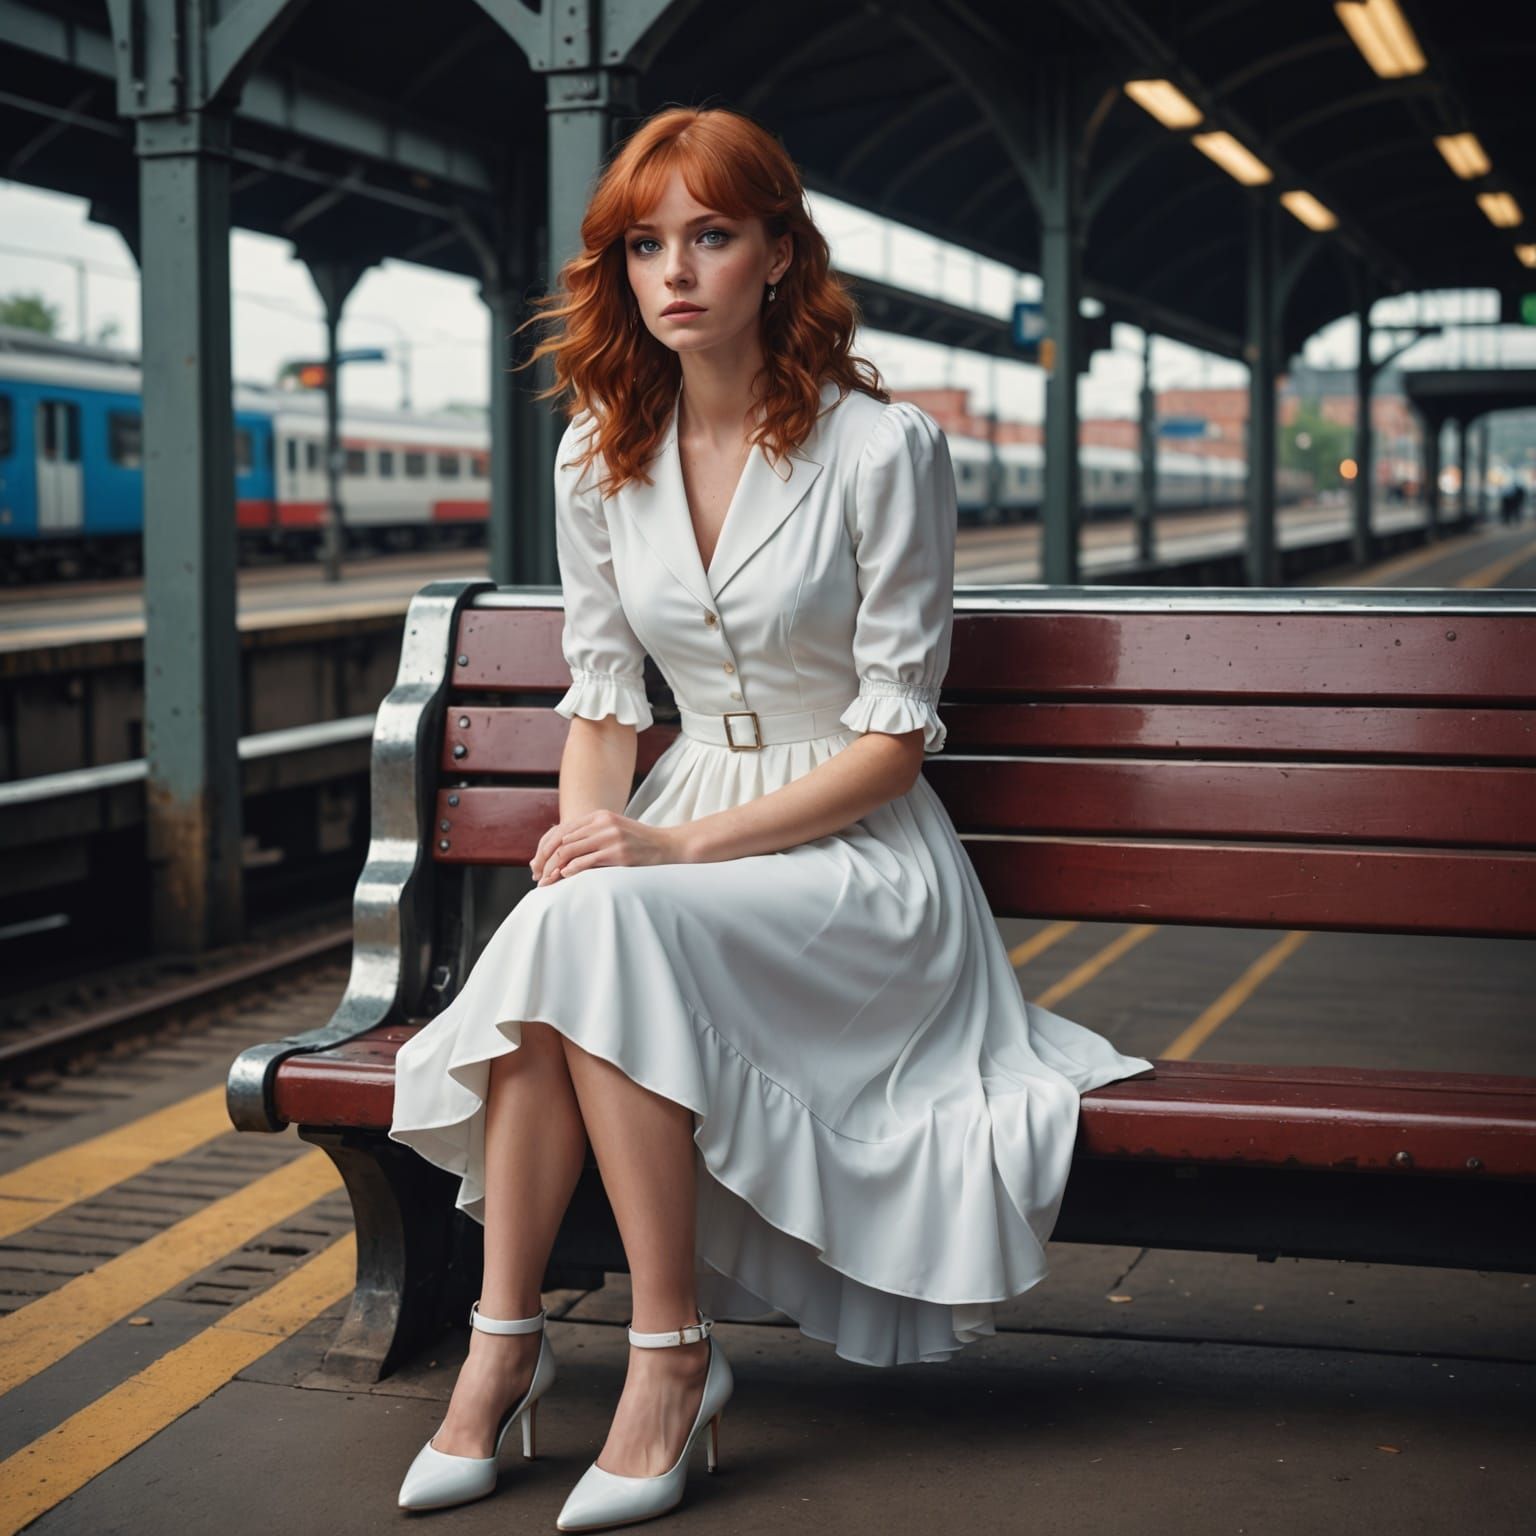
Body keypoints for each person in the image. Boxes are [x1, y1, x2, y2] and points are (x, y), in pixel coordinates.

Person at [387, 104, 1155, 1530]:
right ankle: (519, 1345)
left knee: (600, 930)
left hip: (854, 864)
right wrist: (591, 841)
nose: (675, 272)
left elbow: (892, 748)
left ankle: (653, 1361)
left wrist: (662, 849)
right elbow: (604, 705)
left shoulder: (880, 448)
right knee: (575, 927)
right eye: (644, 246)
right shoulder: (597, 455)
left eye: (712, 236)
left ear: (780, 255)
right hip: (674, 831)